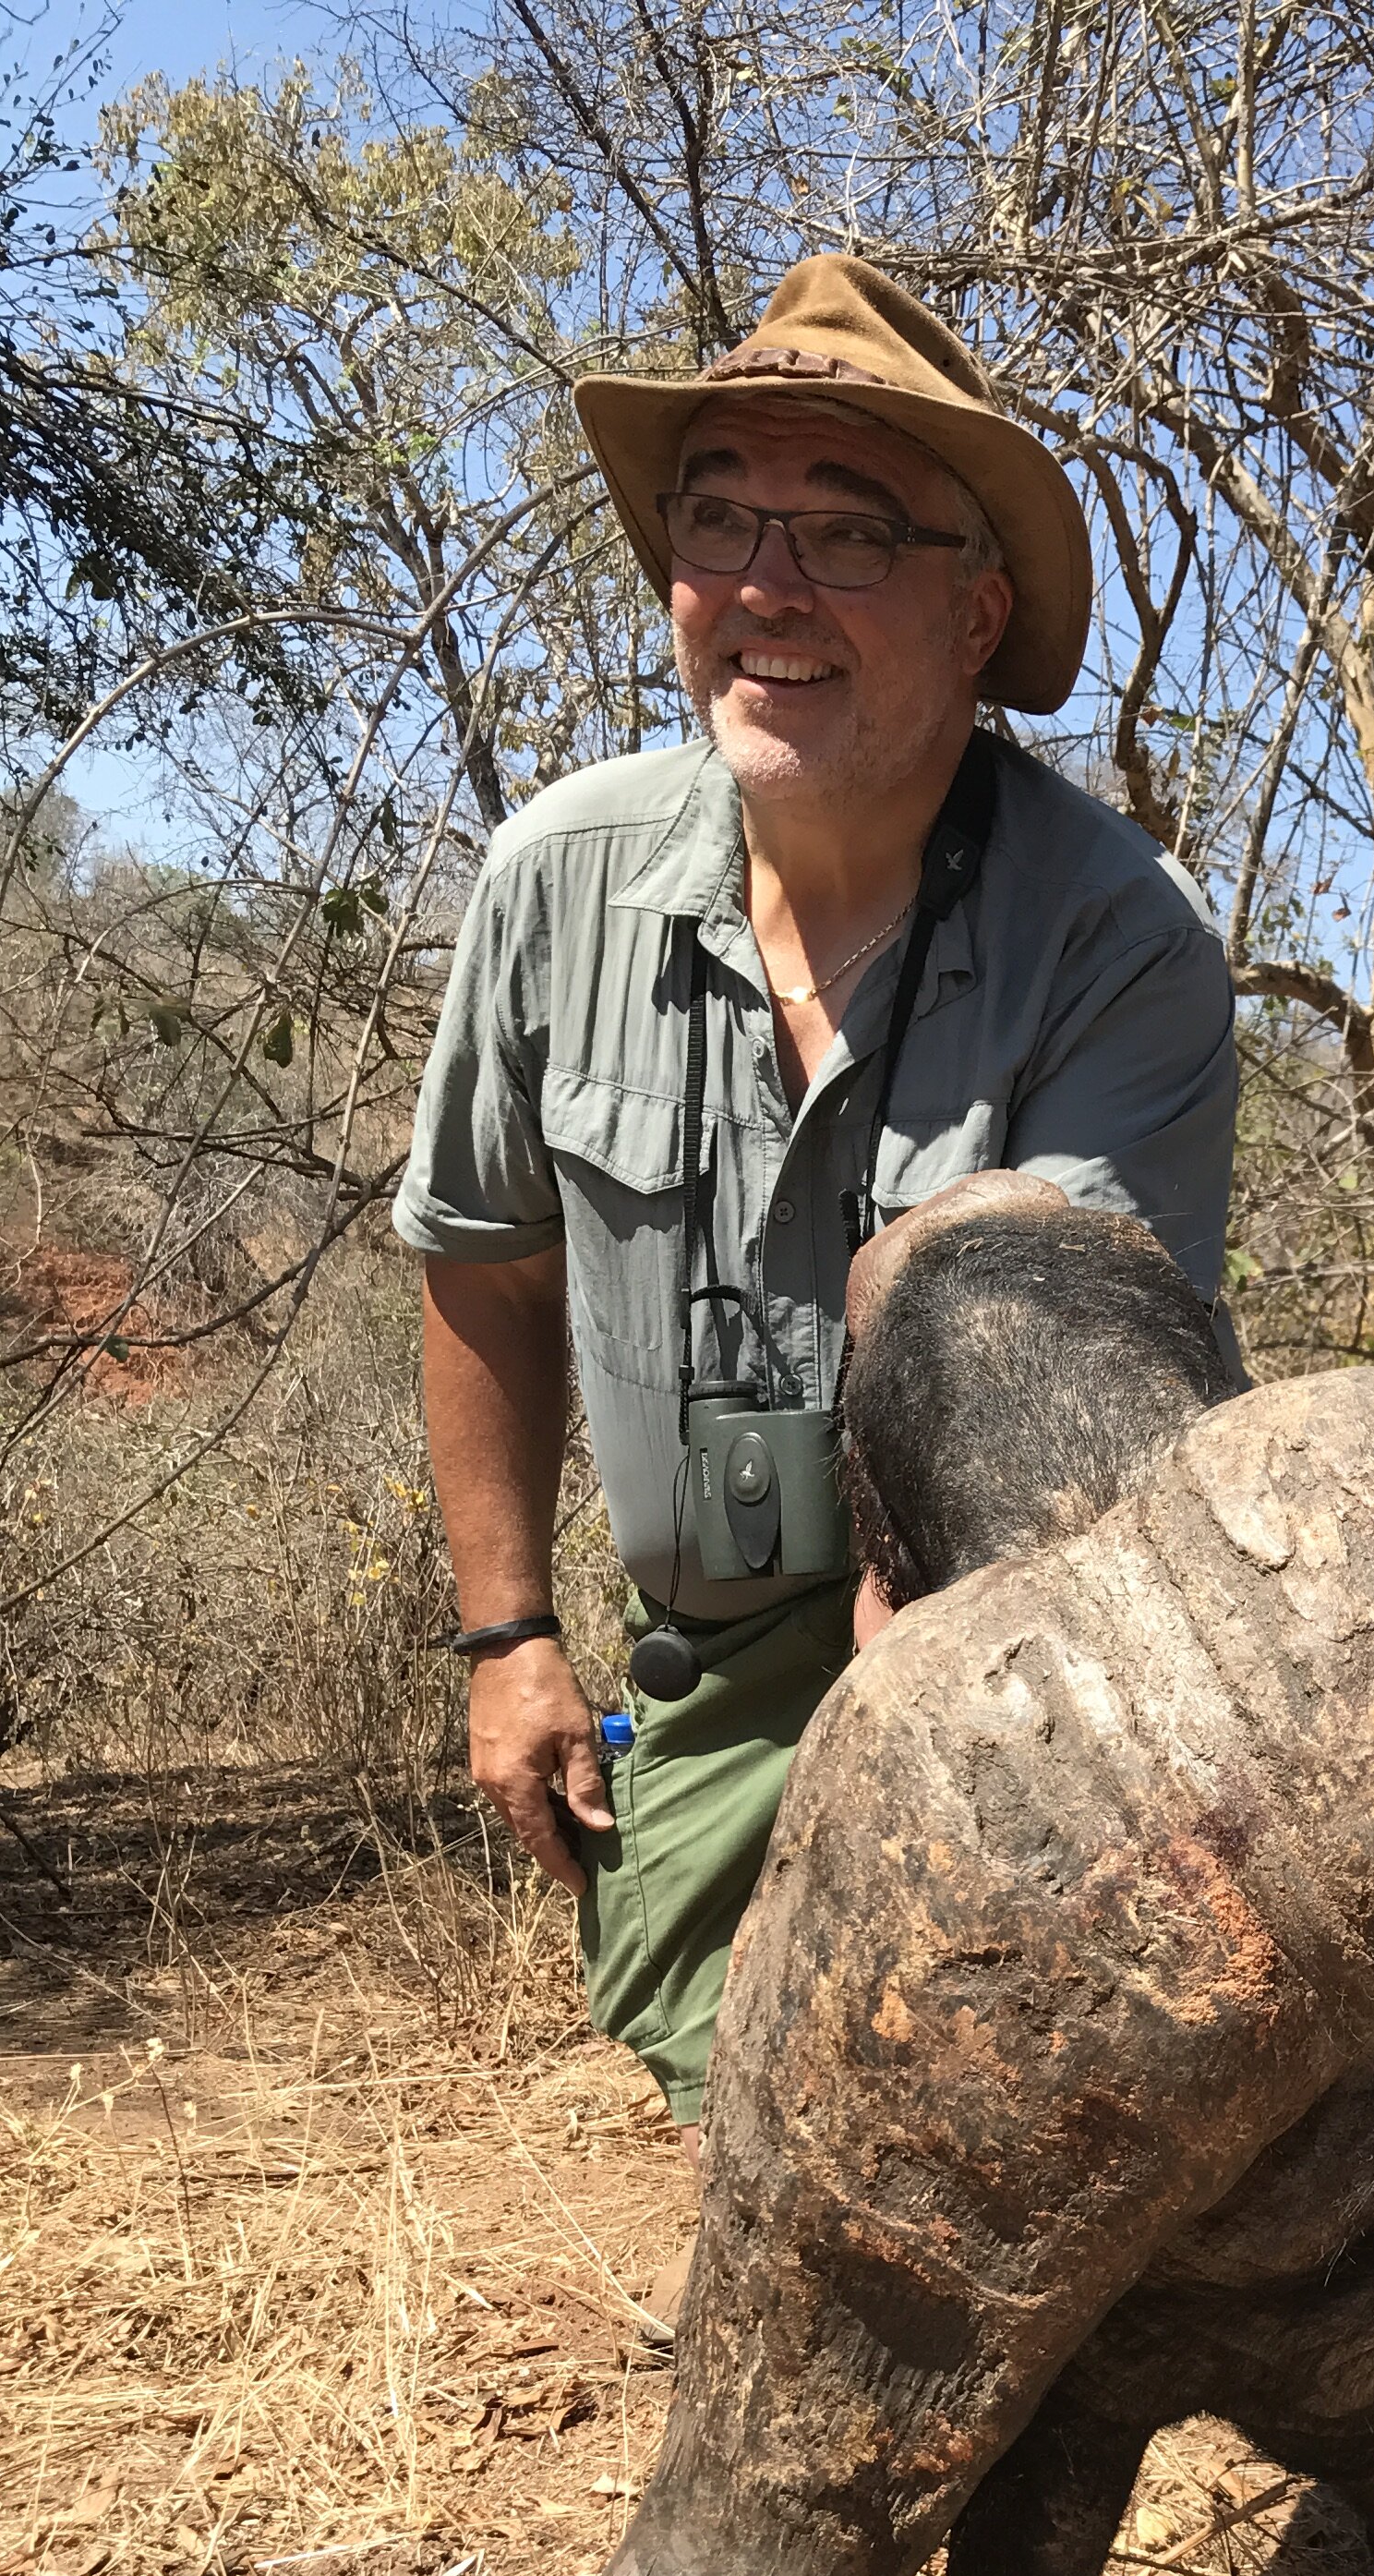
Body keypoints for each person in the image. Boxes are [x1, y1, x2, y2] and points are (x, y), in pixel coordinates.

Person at [395, 253, 1238, 2149]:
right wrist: (508, 1638)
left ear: (978, 610)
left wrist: (916, 1741)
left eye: (848, 534)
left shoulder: (1117, 942)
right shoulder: (553, 883)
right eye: (721, 516)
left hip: (1005, 1632)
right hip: (708, 1657)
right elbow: (484, 1267)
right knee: (734, 2087)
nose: (764, 587)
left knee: (1036, 2138)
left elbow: (1058, 1396)